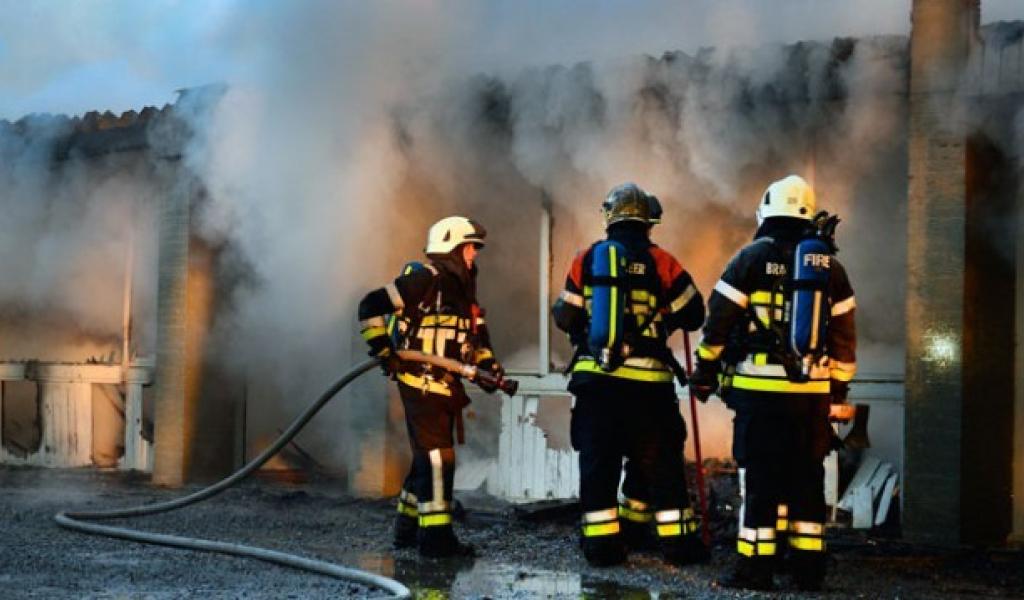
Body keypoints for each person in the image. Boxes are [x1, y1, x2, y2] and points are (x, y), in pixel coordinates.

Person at [689, 175, 857, 591]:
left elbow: (717, 325)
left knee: (760, 483)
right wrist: (836, 389)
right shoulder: (829, 268)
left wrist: (704, 373)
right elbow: (845, 341)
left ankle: (756, 569)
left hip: (760, 397)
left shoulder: (749, 260)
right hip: (811, 399)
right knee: (806, 482)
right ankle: (807, 570)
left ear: (766, 210)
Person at [552, 183, 709, 567]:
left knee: (598, 466)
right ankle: (679, 547)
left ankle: (602, 548)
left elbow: (564, 315)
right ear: (646, 220)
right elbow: (695, 314)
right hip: (649, 390)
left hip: (596, 385)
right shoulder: (663, 262)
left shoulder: (586, 258)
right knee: (662, 466)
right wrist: (663, 318)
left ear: (609, 216)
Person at [357, 216, 504, 558]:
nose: (474, 256)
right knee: (439, 458)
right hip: (419, 383)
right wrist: (384, 351)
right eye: (470, 248)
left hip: (446, 386)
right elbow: (369, 306)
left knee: (426, 458)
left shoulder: (466, 291)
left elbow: (477, 338)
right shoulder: (424, 279)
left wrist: (489, 367)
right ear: (451, 248)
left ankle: (406, 530)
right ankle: (437, 541)